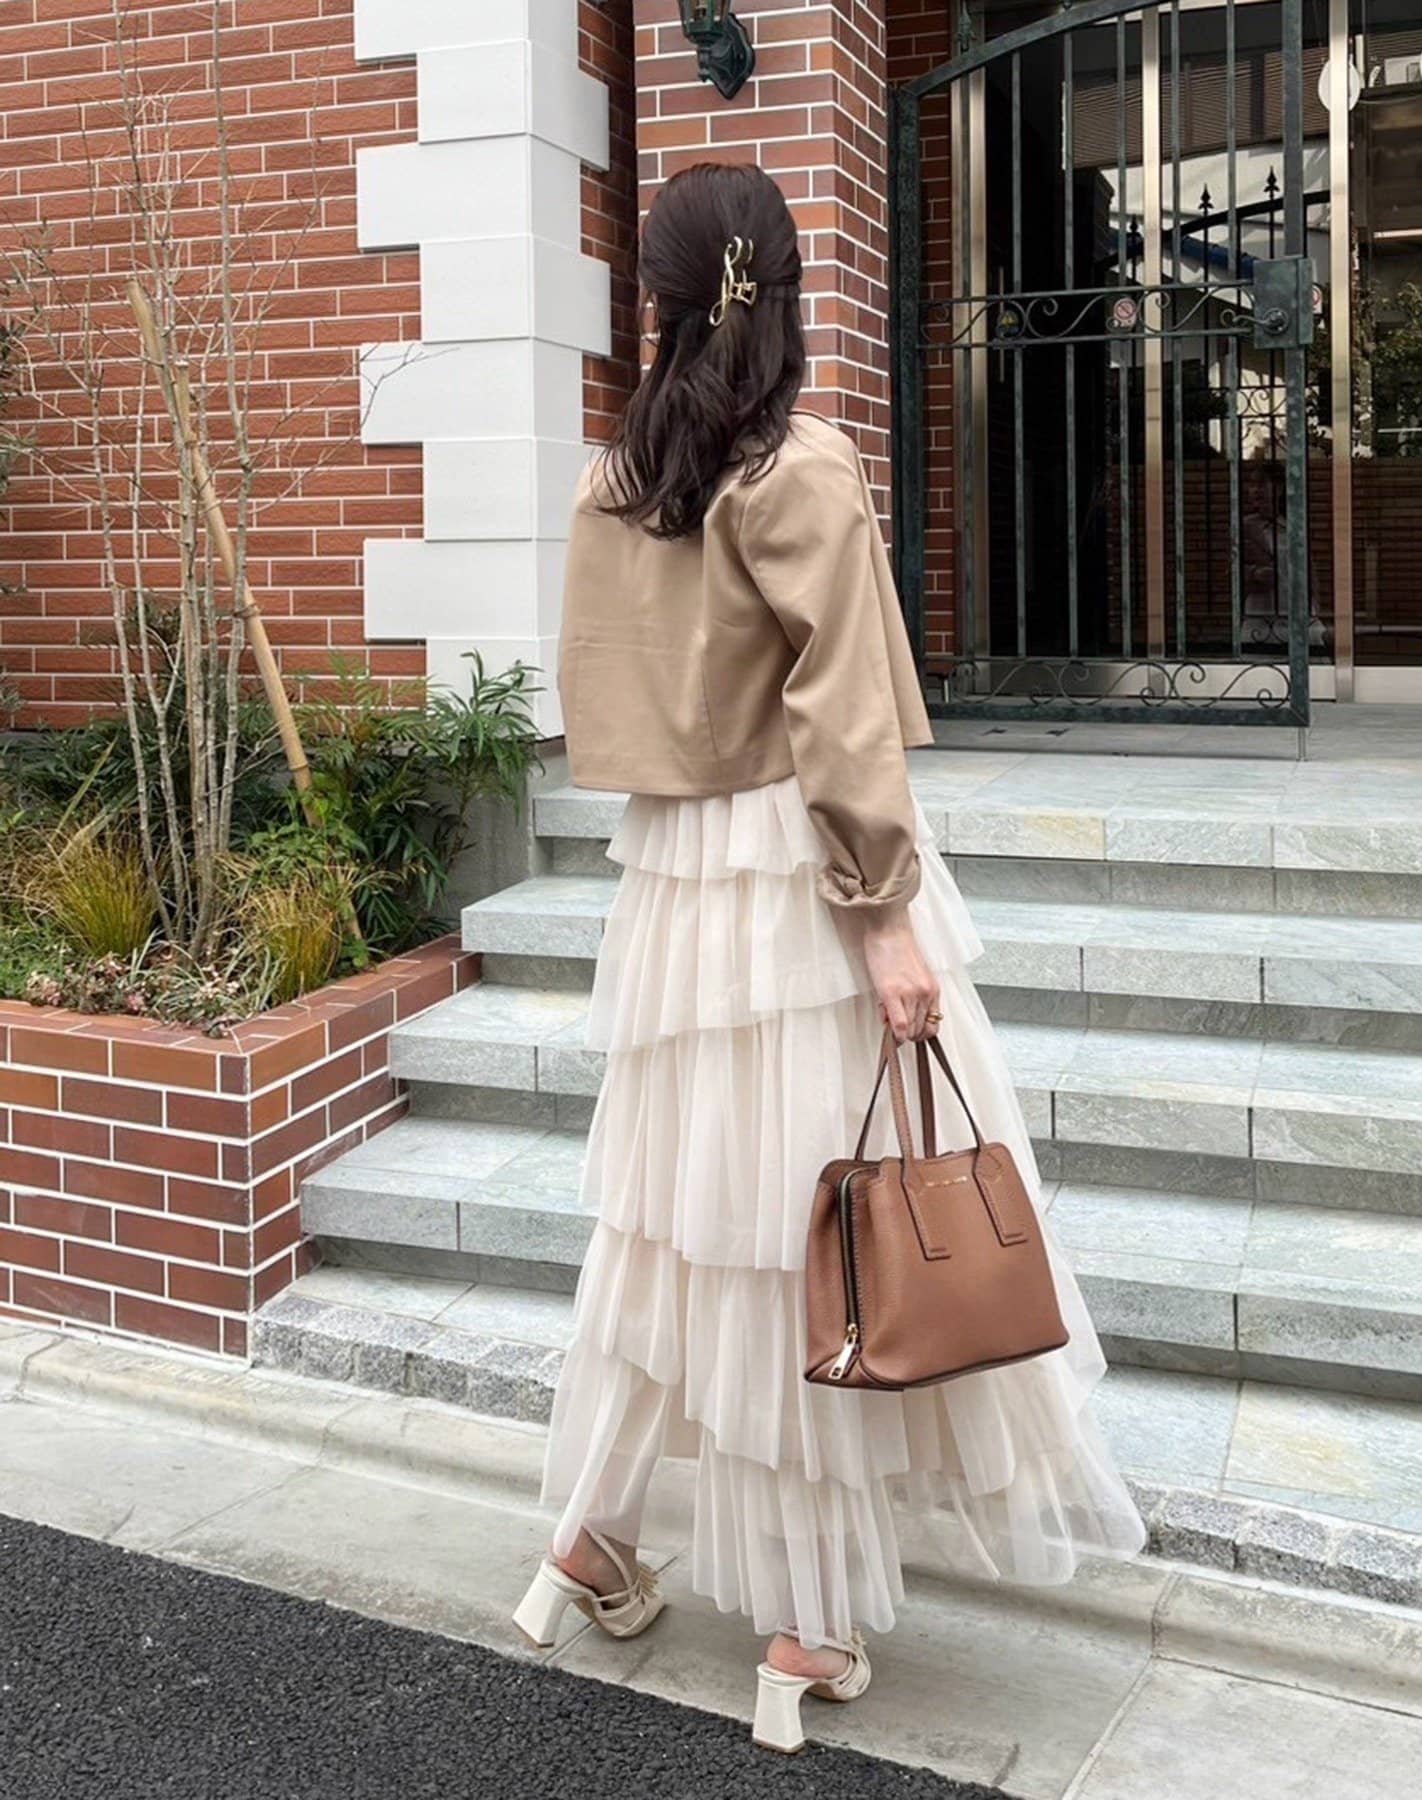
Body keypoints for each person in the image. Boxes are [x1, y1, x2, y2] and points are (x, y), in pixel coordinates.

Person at [511, 160, 1144, 1754]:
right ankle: (802, 1626)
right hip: (798, 878)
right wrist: (885, 917)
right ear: (779, 294)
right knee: (812, 1231)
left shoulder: (616, 484)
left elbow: (611, 692)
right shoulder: (796, 466)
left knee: (687, 1229)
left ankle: (589, 1538)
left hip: (676, 889)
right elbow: (842, 713)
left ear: (662, 302)